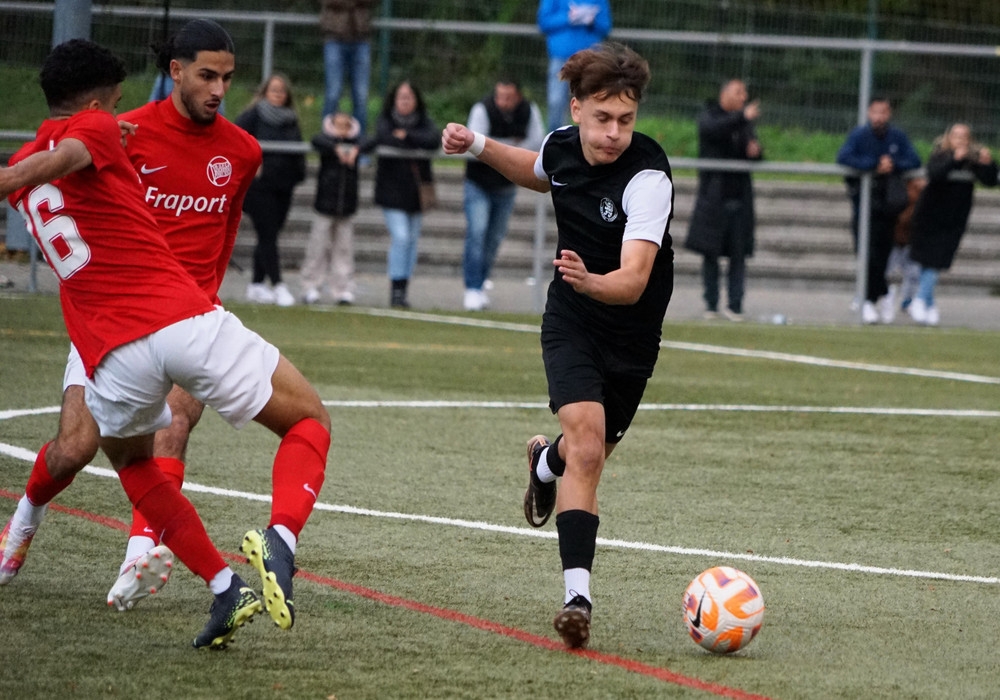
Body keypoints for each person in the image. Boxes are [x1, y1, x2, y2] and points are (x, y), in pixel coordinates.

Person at [0, 37, 331, 650]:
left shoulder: (33, 164)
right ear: (97, 103)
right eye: (114, 103)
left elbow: (50, 163)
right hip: (177, 318)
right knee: (308, 419)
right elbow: (74, 147)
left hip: (111, 349)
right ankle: (280, 541)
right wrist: (55, 152)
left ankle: (223, 588)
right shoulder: (96, 129)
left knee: (133, 463)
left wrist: (17, 172)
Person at [442, 42, 674, 650]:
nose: (614, 133)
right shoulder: (563, 145)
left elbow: (633, 282)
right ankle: (577, 599)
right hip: (572, 319)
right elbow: (538, 170)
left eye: (626, 119)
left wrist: (591, 280)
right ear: (577, 109)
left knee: (583, 453)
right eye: (602, 118)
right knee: (589, 451)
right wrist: (477, 144)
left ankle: (545, 464)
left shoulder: (649, 177)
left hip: (631, 333)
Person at [461, 79, 544, 311]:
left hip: (506, 186)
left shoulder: (529, 111)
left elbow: (537, 143)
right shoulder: (482, 109)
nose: (503, 102)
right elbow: (475, 143)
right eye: (499, 96)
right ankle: (472, 287)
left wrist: (494, 146)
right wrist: (511, 146)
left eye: (508, 97)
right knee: (477, 233)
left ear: (518, 97)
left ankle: (480, 283)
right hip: (478, 183)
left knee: (495, 238)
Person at [836, 97, 921, 325]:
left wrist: (893, 164)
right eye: (875, 112)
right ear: (868, 113)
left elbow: (914, 160)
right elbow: (844, 157)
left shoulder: (897, 137)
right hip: (864, 205)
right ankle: (875, 296)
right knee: (866, 254)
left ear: (889, 113)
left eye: (883, 112)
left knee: (882, 256)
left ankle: (872, 298)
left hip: (888, 207)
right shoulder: (859, 135)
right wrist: (873, 164)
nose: (879, 117)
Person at [683, 79, 762, 321]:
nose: (744, 97)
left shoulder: (743, 123)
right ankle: (711, 304)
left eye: (745, 93)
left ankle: (735, 305)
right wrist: (742, 117)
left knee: (739, 255)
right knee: (711, 253)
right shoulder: (710, 116)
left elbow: (754, 149)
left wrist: (756, 152)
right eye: (739, 92)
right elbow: (713, 130)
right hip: (713, 199)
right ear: (724, 94)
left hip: (740, 198)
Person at [907, 123, 998, 326]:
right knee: (926, 260)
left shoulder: (972, 160)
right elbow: (935, 173)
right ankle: (926, 302)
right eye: (956, 135)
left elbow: (990, 180)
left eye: (964, 136)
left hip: (954, 219)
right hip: (930, 214)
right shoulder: (940, 154)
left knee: (938, 260)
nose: (960, 139)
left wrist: (988, 163)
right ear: (949, 137)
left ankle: (922, 300)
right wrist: (954, 159)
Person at [235, 72, 307, 307]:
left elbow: (298, 148)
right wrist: (251, 164)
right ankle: (278, 284)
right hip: (259, 187)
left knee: (271, 234)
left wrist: (298, 174)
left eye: (282, 90)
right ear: (265, 91)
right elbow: (235, 138)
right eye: (273, 89)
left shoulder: (291, 119)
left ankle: (257, 284)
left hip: (284, 185)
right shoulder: (253, 115)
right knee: (267, 233)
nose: (277, 94)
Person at [373, 80, 439, 308]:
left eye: (409, 97)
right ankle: (396, 288)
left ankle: (403, 288)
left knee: (411, 241)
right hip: (391, 191)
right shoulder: (385, 120)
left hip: (416, 193)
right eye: (401, 96)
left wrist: (407, 136)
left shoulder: (424, 121)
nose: (405, 101)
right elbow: (384, 137)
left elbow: (432, 140)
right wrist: (409, 140)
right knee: (401, 237)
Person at [302, 111, 372, 305]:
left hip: (347, 207)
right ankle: (310, 286)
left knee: (343, 250)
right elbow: (316, 140)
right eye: (338, 125)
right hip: (324, 206)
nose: (342, 129)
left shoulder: (356, 143)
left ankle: (343, 289)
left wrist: (356, 149)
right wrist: (336, 149)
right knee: (317, 247)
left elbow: (372, 141)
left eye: (346, 125)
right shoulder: (326, 142)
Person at [537, 0, 612, 133]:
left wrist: (591, 20)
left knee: (592, 101)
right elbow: (543, 22)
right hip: (561, 56)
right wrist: (569, 17)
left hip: (590, 59)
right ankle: (556, 139)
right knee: (556, 101)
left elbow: (605, 26)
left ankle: (590, 137)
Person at [320, 0, 375, 134]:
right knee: (333, 94)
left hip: (361, 37)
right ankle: (327, 140)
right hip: (334, 37)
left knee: (361, 97)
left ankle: (359, 142)